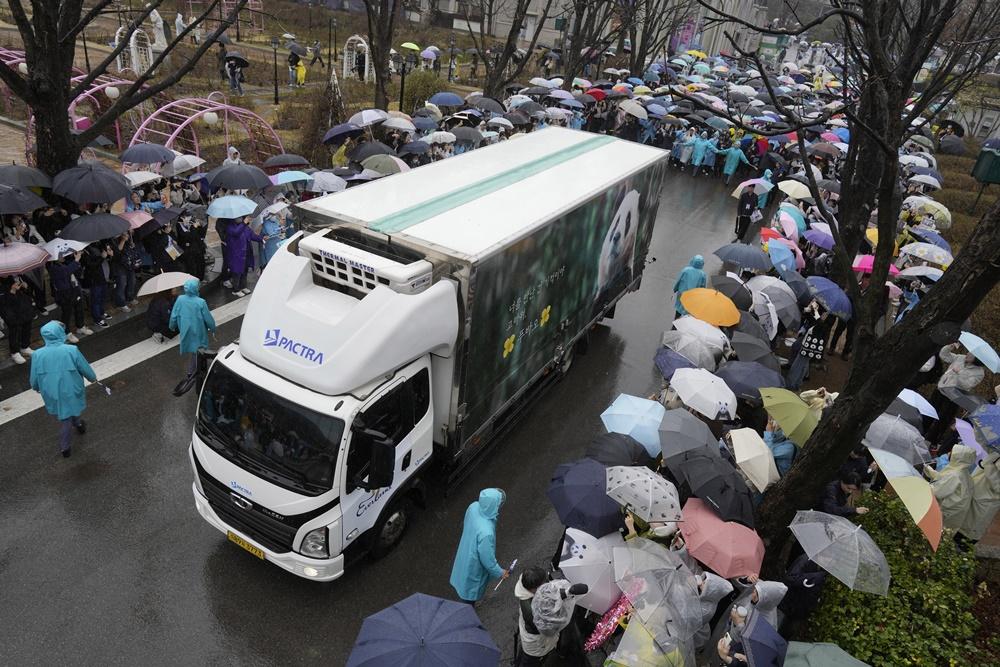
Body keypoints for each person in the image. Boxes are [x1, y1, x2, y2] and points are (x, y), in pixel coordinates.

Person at [29, 321, 98, 458]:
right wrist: (92, 378)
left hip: (51, 391)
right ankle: (66, 444)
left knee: (64, 412)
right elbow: (84, 367)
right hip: (71, 387)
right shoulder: (71, 350)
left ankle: (77, 425)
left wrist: (36, 387)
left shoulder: (37, 354)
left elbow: (34, 376)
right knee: (68, 414)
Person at [449, 488, 508, 605]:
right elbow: (488, 560)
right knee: (468, 598)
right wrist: (500, 572)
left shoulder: (473, 507)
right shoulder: (486, 532)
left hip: (464, 554)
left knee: (462, 584)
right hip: (472, 567)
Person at [927, 343, 986, 442]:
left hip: (954, 397)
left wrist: (959, 373)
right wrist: (950, 347)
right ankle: (921, 430)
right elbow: (944, 355)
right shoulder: (960, 358)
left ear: (978, 359)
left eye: (971, 354)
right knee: (929, 411)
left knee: (942, 420)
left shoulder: (979, 373)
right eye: (969, 352)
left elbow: (967, 385)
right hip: (941, 389)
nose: (968, 353)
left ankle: (931, 440)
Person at [169, 278, 216, 377]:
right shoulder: (201, 302)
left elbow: (174, 315)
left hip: (185, 329)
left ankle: (192, 371)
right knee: (200, 350)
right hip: (199, 331)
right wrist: (213, 328)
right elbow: (208, 318)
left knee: (193, 350)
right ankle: (197, 371)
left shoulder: (180, 299)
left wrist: (172, 326)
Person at [925, 444, 975, 533]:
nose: (949, 454)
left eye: (953, 453)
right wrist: (931, 472)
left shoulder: (955, 475)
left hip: (948, 513)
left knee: (935, 532)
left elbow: (938, 491)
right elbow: (945, 479)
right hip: (955, 513)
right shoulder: (963, 471)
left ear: (959, 457)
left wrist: (922, 484)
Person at [514, 566, 556, 666]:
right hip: (536, 645)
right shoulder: (531, 612)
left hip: (528, 637)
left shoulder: (525, 583)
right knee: (529, 662)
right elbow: (545, 629)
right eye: (544, 584)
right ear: (533, 589)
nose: (547, 584)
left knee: (523, 655)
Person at [0, 277, 36, 364]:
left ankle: (25, 346)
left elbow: (28, 294)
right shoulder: (2, 286)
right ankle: (14, 352)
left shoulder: (17, 277)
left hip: (23, 309)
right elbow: (4, 303)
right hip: (10, 313)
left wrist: (26, 287)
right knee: (14, 331)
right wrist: (12, 291)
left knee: (27, 327)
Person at [225, 216, 263, 296]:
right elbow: (236, 232)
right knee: (237, 272)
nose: (240, 218)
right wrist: (244, 223)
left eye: (241, 217)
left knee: (244, 271)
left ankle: (243, 287)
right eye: (238, 217)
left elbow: (252, 235)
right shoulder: (230, 227)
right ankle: (236, 290)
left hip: (246, 253)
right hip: (236, 254)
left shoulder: (244, 226)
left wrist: (261, 239)